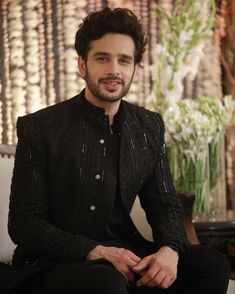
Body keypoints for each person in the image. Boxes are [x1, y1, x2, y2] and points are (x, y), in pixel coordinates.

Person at [6, 6, 230, 294]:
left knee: (211, 263)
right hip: (56, 264)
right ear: (82, 64)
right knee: (105, 282)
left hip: (127, 259)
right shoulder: (40, 128)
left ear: (135, 67)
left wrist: (170, 249)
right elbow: (23, 223)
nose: (114, 70)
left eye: (124, 60)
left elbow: (165, 205)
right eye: (102, 58)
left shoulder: (149, 126)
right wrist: (95, 251)